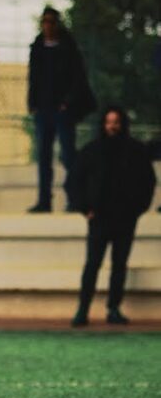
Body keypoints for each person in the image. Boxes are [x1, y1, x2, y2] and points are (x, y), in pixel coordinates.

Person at [69, 107, 155, 327]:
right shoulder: (91, 151)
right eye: (108, 122)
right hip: (99, 218)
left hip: (125, 217)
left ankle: (113, 308)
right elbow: (73, 182)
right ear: (103, 124)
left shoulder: (136, 152)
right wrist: (84, 208)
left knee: (119, 265)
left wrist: (138, 208)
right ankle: (83, 309)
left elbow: (148, 182)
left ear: (122, 124)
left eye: (116, 122)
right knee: (92, 264)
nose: (112, 126)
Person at [27, 6, 94, 213]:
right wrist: (33, 103)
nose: (47, 26)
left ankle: (74, 199)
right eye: (44, 22)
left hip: (62, 109)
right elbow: (33, 78)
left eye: (51, 22)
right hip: (44, 109)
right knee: (44, 156)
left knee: (68, 155)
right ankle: (44, 200)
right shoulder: (38, 47)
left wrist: (68, 102)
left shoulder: (68, 48)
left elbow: (78, 78)